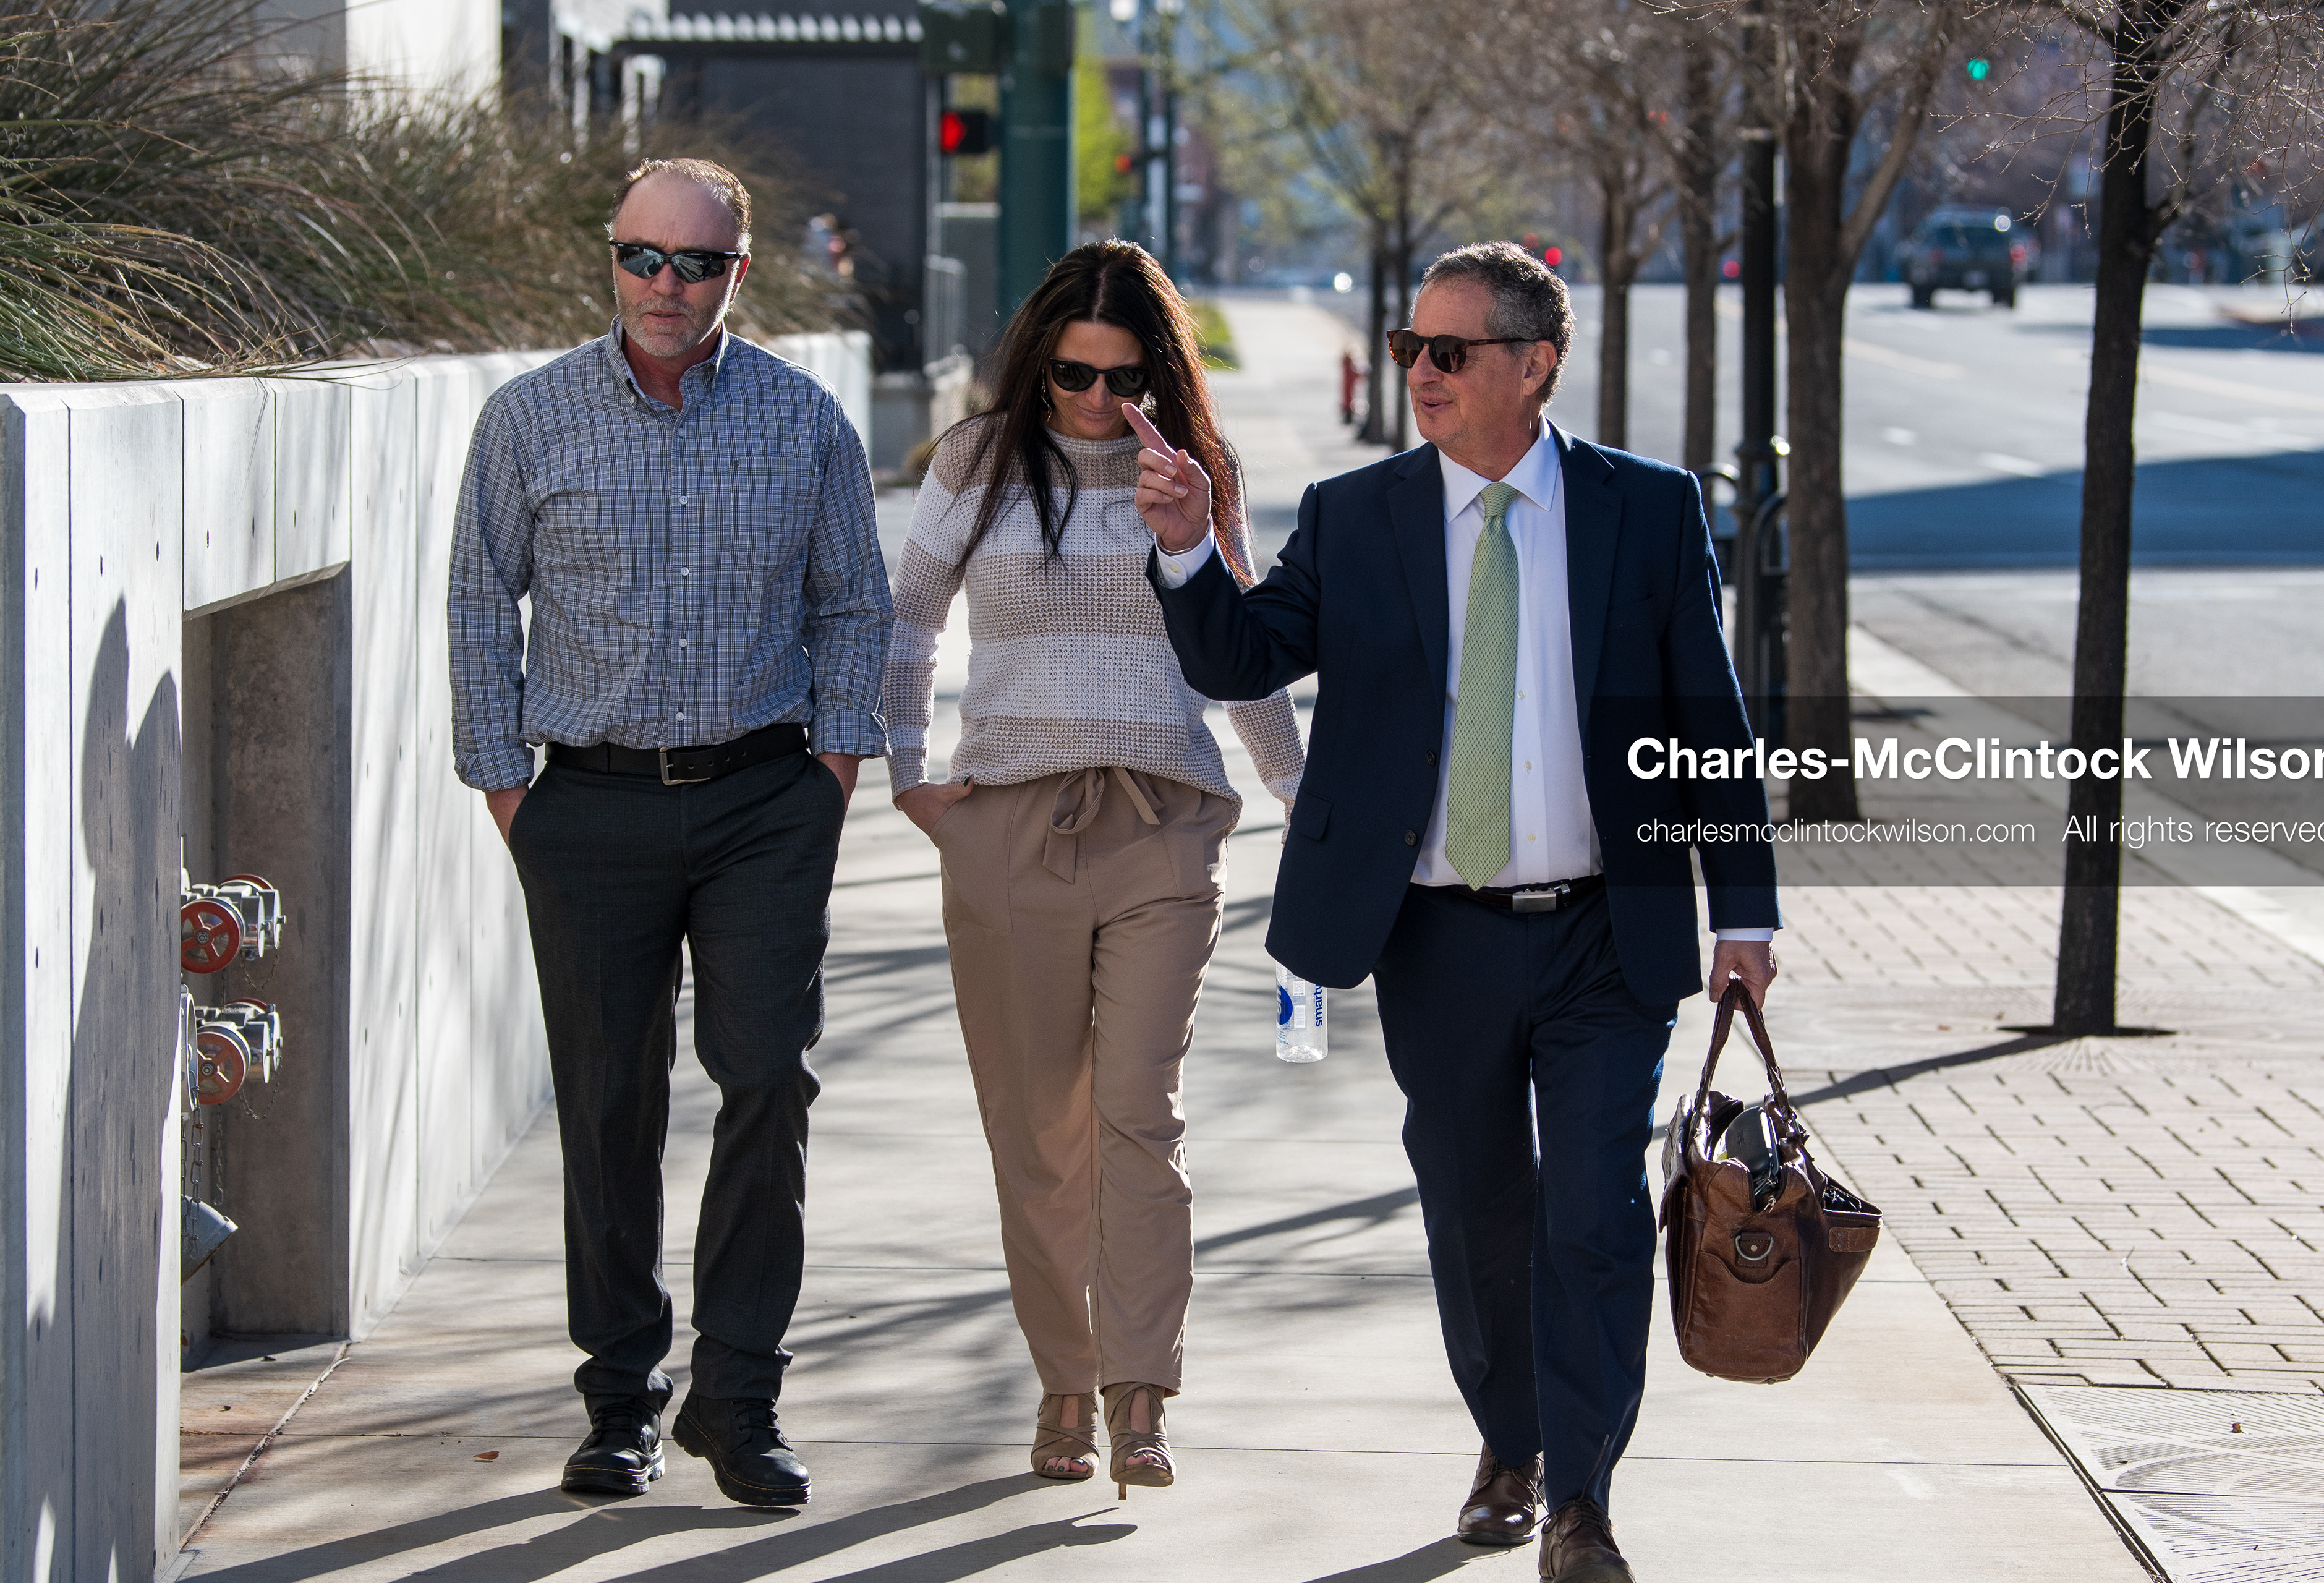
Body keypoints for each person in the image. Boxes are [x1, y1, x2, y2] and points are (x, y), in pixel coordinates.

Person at [1139, 241, 1779, 1582]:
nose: (1420, 371)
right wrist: (1190, 544)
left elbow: (1709, 718)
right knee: (1480, 1208)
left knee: (1594, 1215)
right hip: (1439, 934)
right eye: (1413, 346)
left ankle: (1584, 1503)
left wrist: (1747, 916)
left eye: (1449, 351)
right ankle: (1513, 1440)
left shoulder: (1645, 511)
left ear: (1532, 365)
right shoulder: (1361, 514)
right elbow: (1239, 654)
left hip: (1611, 929)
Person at [448, 156, 889, 1508]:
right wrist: (507, 786)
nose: (665, 285)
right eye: (643, 256)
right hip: (583, 805)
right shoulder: (527, 420)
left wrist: (829, 774)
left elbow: (854, 606)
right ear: (614, 258)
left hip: (763, 799)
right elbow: (478, 599)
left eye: (696, 264)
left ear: (736, 276)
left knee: (767, 1076)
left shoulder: (805, 421)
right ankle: (622, 1393)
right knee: (607, 1099)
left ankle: (739, 1394)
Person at [885, 241, 1303, 1498]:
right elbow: (909, 615)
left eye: (1122, 378)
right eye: (1071, 371)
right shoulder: (979, 459)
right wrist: (909, 774)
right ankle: (1063, 1374)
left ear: (1160, 373)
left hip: (1162, 822)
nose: (1094, 400)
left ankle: (1139, 1390)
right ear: (1039, 356)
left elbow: (1242, 650)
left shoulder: (1195, 474)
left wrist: (1309, 804)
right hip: (1008, 819)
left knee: (1139, 1105)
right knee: (1036, 1128)